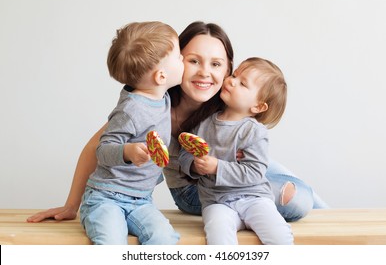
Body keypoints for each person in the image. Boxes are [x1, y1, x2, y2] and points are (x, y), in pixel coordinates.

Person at [27, 21, 328, 226]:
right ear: (173, 62)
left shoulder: (227, 100)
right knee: (295, 200)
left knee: (304, 192)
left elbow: (261, 132)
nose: (204, 73)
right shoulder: (152, 102)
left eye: (216, 64)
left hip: (235, 171)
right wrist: (71, 205)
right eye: (193, 60)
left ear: (228, 69)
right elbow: (98, 147)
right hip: (198, 187)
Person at [77, 21, 183, 244]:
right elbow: (102, 150)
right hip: (106, 197)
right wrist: (127, 152)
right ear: (161, 76)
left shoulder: (162, 97)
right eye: (179, 57)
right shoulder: (131, 109)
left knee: (165, 238)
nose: (183, 60)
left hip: (141, 201)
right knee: (112, 242)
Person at [178, 57, 294, 244]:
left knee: (279, 235)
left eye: (242, 83)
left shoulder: (254, 131)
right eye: (234, 75)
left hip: (253, 198)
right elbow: (184, 154)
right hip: (216, 201)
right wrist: (193, 165)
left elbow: (255, 172)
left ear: (258, 106)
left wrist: (217, 167)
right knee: (218, 235)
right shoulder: (204, 124)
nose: (231, 81)